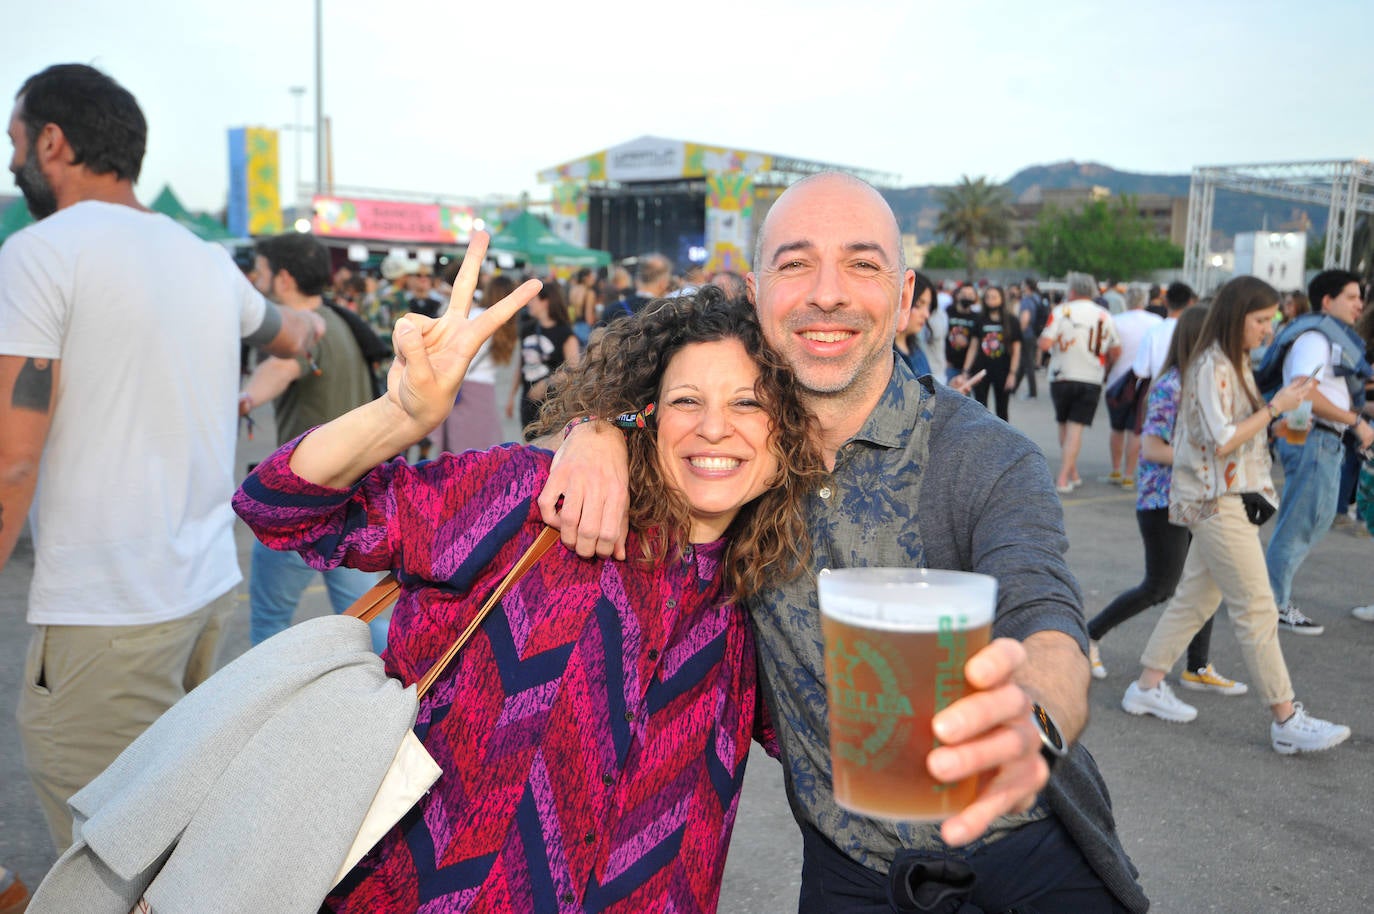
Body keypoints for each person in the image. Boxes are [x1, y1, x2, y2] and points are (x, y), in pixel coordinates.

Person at [541, 173, 1148, 913]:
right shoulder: (730, 455)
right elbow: (650, 400)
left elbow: (1042, 607)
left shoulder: (986, 458)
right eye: (796, 263)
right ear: (756, 291)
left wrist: (1036, 716)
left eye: (862, 264)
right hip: (847, 868)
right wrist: (595, 428)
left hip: (1023, 852)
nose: (827, 292)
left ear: (903, 296)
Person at [232, 234, 829, 912]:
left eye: (749, 404)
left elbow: (840, 752)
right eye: (688, 400)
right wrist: (399, 416)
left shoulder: (768, 594)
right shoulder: (534, 504)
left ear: (787, 429)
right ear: (645, 413)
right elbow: (279, 507)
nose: (716, 429)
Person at [0, 63, 319, 852]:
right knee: (172, 835)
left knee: (104, 857)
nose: (10, 161)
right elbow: (289, 331)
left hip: (106, 610)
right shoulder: (205, 257)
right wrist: (309, 335)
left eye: (13, 141)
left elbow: (11, 462)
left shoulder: (39, 254)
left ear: (52, 140)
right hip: (205, 592)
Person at [1120, 276, 1350, 755]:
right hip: (1216, 498)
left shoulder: (1228, 362)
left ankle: (1146, 685)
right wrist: (1275, 409)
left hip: (1224, 494)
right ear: (1236, 317)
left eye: (1271, 320)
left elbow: (1230, 433)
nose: (1269, 330)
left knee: (1198, 598)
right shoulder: (1211, 366)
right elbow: (1222, 438)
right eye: (1262, 320)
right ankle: (1285, 717)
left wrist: (1277, 415)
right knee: (1258, 606)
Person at [237, 232, 387, 652]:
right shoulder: (339, 321)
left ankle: (264, 712)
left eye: (261, 272)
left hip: (300, 505)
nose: (255, 280)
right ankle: (397, 707)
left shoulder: (307, 333)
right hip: (350, 502)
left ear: (283, 279)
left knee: (269, 627)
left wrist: (244, 399)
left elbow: (281, 368)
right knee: (367, 624)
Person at [1087, 307, 1247, 694]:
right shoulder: (1171, 386)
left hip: (1199, 496)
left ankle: (1198, 665)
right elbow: (1153, 448)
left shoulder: (1208, 385)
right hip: (1163, 501)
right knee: (1160, 586)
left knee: (1205, 582)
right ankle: (1087, 636)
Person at [1262, 270, 1373, 635]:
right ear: (1327, 300)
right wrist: (1355, 422)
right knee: (1300, 522)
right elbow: (1303, 391)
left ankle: (1268, 600)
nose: (1360, 304)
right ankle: (1272, 604)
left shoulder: (1325, 337)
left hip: (1316, 437)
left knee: (1311, 518)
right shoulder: (1315, 337)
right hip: (1314, 437)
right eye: (1353, 297)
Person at [1039, 271, 1122, 494]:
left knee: (1064, 424)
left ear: (1072, 290)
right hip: (1090, 377)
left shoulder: (1061, 311)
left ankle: (1064, 476)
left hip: (1061, 374)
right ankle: (1069, 473)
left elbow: (1045, 343)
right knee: (1076, 428)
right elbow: (1116, 348)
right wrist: (1107, 368)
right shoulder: (1104, 314)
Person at [433, 271, 518, 454]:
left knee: (458, 449)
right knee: (484, 449)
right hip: (486, 390)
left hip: (463, 386)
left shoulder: (477, 314)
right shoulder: (508, 323)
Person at [1103, 286, 1162, 487]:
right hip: (1145, 384)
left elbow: (1110, 351)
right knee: (1135, 429)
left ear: (1126, 300)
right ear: (1145, 300)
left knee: (1116, 428)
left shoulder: (1116, 321)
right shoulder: (1156, 322)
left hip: (1117, 382)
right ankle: (1130, 474)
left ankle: (1116, 470)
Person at [507, 279, 581, 435]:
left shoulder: (565, 334)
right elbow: (521, 365)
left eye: (533, 299)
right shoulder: (528, 329)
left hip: (553, 404)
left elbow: (575, 370)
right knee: (528, 450)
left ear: (545, 301)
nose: (529, 303)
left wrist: (547, 383)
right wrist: (511, 397)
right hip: (528, 401)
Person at [960, 284, 1020, 421]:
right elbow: (973, 347)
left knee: (1002, 410)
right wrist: (965, 370)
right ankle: (982, 441)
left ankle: (1003, 441)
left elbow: (1017, 350)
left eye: (994, 297)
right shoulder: (979, 320)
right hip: (981, 371)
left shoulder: (1011, 321)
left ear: (1002, 299)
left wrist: (1012, 374)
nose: (990, 300)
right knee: (980, 408)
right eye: (987, 297)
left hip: (1003, 371)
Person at [894, 270, 935, 378]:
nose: (926, 315)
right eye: (918, 305)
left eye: (928, 307)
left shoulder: (917, 351)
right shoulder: (883, 358)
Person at [1015, 278, 1047, 399]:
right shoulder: (1037, 298)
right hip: (1034, 334)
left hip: (1026, 335)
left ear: (1027, 286)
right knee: (1024, 363)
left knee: (1028, 364)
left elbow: (1025, 318)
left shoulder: (1027, 300)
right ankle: (1013, 388)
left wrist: (1018, 333)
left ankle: (1032, 392)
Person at [943, 285, 978, 384]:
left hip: (967, 369)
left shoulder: (977, 317)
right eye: (964, 294)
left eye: (970, 294)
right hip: (949, 366)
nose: (967, 297)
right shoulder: (948, 312)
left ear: (975, 298)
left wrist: (966, 370)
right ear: (957, 295)